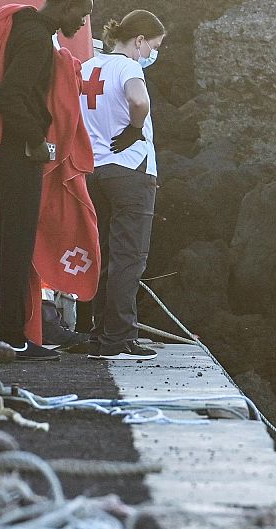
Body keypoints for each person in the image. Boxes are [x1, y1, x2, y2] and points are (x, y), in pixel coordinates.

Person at [0, 0, 96, 361]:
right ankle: (12, 336)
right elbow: (9, 97)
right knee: (17, 245)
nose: (83, 20)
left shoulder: (23, 28)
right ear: (65, 7)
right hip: (18, 156)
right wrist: (37, 140)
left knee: (9, 245)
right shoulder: (35, 39)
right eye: (82, 11)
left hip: (5, 155)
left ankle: (4, 333)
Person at [73, 10, 165, 360]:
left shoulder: (88, 67)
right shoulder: (129, 67)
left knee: (105, 257)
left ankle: (102, 335)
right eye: (152, 46)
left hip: (93, 172)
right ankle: (118, 339)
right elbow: (138, 100)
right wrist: (135, 128)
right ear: (139, 40)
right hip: (130, 171)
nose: (151, 55)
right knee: (130, 259)